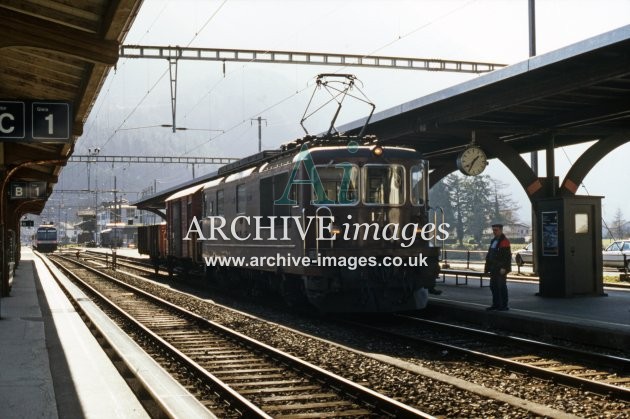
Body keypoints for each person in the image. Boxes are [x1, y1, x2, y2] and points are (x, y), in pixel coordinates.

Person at [484, 223, 511, 311]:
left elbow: (507, 256)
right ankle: (496, 304)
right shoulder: (494, 241)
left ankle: (503, 305)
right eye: (493, 230)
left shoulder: (504, 241)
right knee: (493, 286)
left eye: (496, 230)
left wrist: (504, 267)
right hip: (493, 267)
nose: (494, 232)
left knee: (501, 286)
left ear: (501, 230)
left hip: (500, 268)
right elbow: (490, 254)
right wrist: (487, 267)